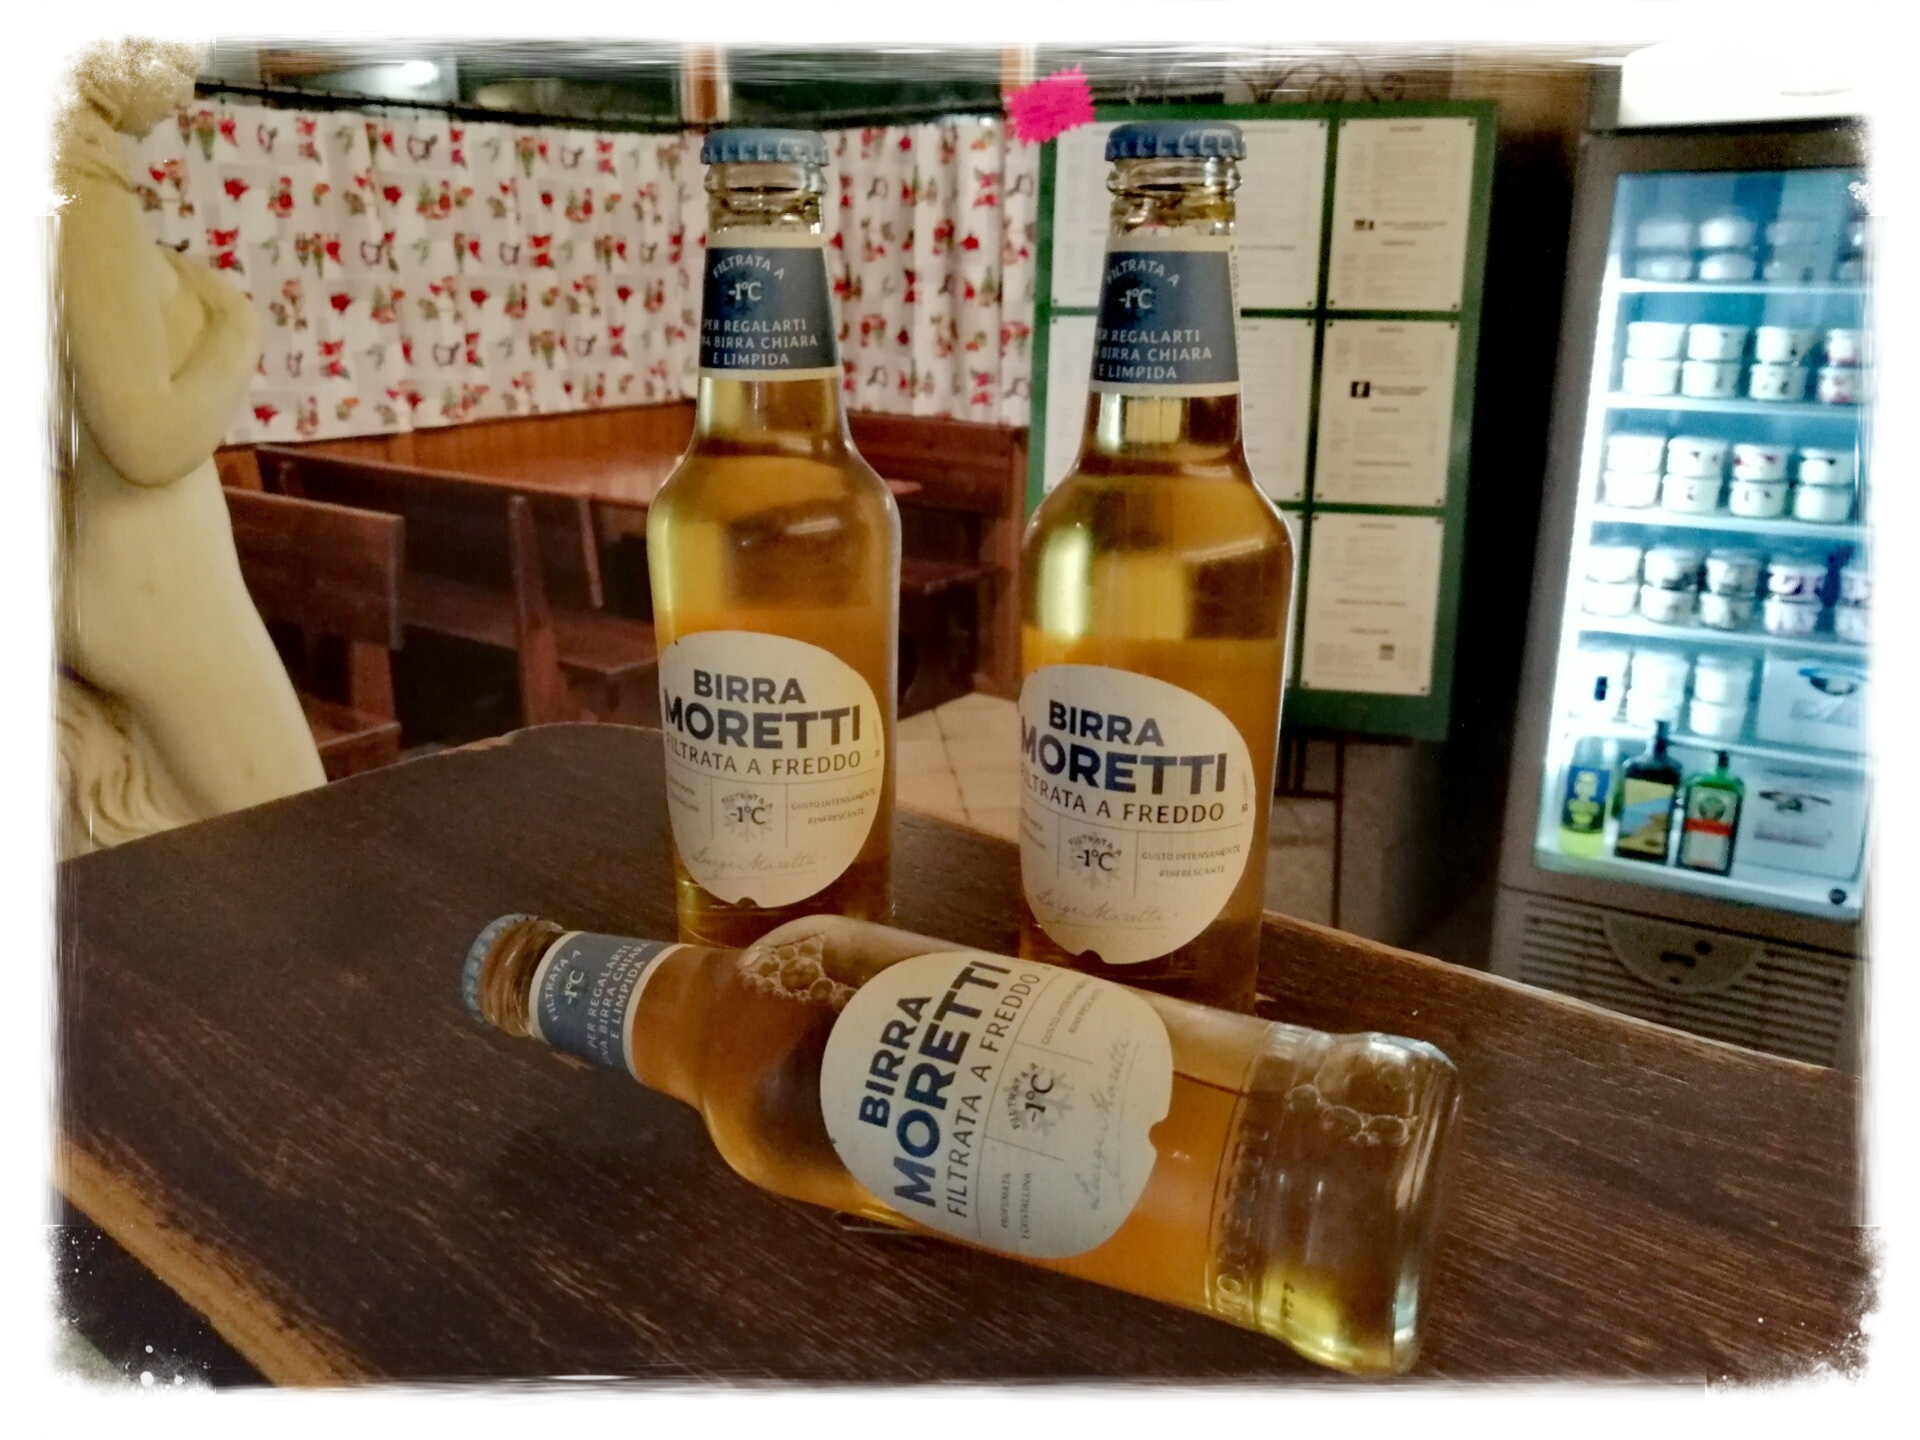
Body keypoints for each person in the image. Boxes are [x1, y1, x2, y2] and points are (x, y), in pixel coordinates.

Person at [54, 39, 322, 858]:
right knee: (296, 847)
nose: (184, 89)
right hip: (155, 589)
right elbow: (145, 440)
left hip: (108, 577)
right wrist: (237, 329)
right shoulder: (80, 197)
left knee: (198, 859)